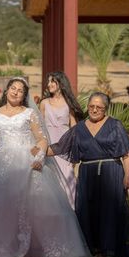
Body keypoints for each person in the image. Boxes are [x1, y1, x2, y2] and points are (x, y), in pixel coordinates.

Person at [0, 77, 92, 257]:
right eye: (13, 88)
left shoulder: (29, 113)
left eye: (20, 90)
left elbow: (41, 139)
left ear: (24, 96)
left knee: (39, 209)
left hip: (27, 162)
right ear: (6, 91)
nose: (16, 92)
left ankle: (36, 249)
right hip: (1, 166)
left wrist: (39, 157)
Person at [49, 92, 129, 257]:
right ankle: (92, 252)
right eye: (91, 107)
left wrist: (128, 176)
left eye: (99, 107)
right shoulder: (79, 128)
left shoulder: (115, 125)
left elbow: (126, 153)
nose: (94, 110)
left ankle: (104, 254)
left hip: (111, 173)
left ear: (106, 109)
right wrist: (37, 149)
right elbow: (60, 146)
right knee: (89, 212)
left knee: (109, 212)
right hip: (87, 174)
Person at [39, 71, 85, 208]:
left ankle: (69, 217)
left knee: (68, 181)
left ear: (61, 83)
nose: (49, 84)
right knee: (49, 181)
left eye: (52, 81)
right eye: (48, 82)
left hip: (65, 149)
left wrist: (74, 154)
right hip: (48, 148)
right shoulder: (44, 103)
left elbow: (75, 130)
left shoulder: (68, 104)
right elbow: (39, 128)